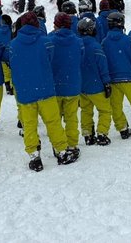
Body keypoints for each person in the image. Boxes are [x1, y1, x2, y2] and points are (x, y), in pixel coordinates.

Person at [5, 12, 79, 171]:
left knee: (29, 125)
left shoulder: (13, 44)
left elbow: (11, 62)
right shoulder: (46, 42)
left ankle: (34, 156)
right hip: (45, 88)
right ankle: (61, 151)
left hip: (25, 92)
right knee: (53, 122)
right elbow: (50, 59)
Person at [48, 13, 85, 156]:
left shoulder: (50, 41)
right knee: (71, 117)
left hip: (55, 86)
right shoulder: (78, 41)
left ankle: (58, 145)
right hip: (73, 84)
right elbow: (80, 61)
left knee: (55, 119)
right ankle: (72, 144)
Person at [77, 17, 113, 146]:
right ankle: (102, 133)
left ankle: (87, 134)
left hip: (82, 86)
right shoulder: (95, 46)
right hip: (96, 86)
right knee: (105, 110)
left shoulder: (77, 46)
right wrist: (107, 82)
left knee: (86, 110)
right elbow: (102, 67)